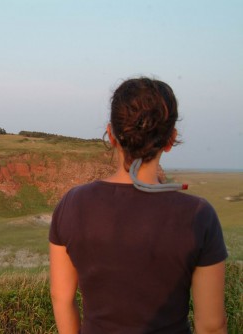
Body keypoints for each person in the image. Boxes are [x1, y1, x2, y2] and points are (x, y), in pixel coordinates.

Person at [49, 77, 228, 334]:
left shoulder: (72, 203)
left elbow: (62, 298)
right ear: (170, 139)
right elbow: (211, 325)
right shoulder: (198, 215)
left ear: (111, 134)